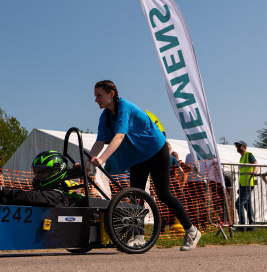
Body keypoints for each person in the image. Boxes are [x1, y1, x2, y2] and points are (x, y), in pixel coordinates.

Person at [86, 80, 201, 251]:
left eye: (99, 95)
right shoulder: (105, 117)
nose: (96, 99)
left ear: (111, 94)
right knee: (135, 197)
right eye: (95, 96)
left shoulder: (125, 108)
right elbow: (99, 141)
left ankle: (192, 231)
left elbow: (119, 137)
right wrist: (88, 162)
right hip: (137, 157)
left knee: (163, 193)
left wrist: (101, 160)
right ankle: (138, 237)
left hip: (155, 150)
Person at [0, 150, 86, 207]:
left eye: (42, 172)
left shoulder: (57, 195)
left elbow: (29, 197)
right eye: (36, 172)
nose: (38, 176)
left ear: (56, 172)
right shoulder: (46, 192)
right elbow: (19, 196)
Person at [234, 141, 258, 231]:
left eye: (239, 146)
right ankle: (252, 226)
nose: (237, 147)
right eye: (236, 146)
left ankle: (242, 226)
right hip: (244, 184)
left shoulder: (249, 154)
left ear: (244, 146)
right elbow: (242, 173)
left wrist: (255, 171)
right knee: (247, 205)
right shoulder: (242, 158)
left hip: (249, 183)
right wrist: (239, 187)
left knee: (238, 204)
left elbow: (256, 164)